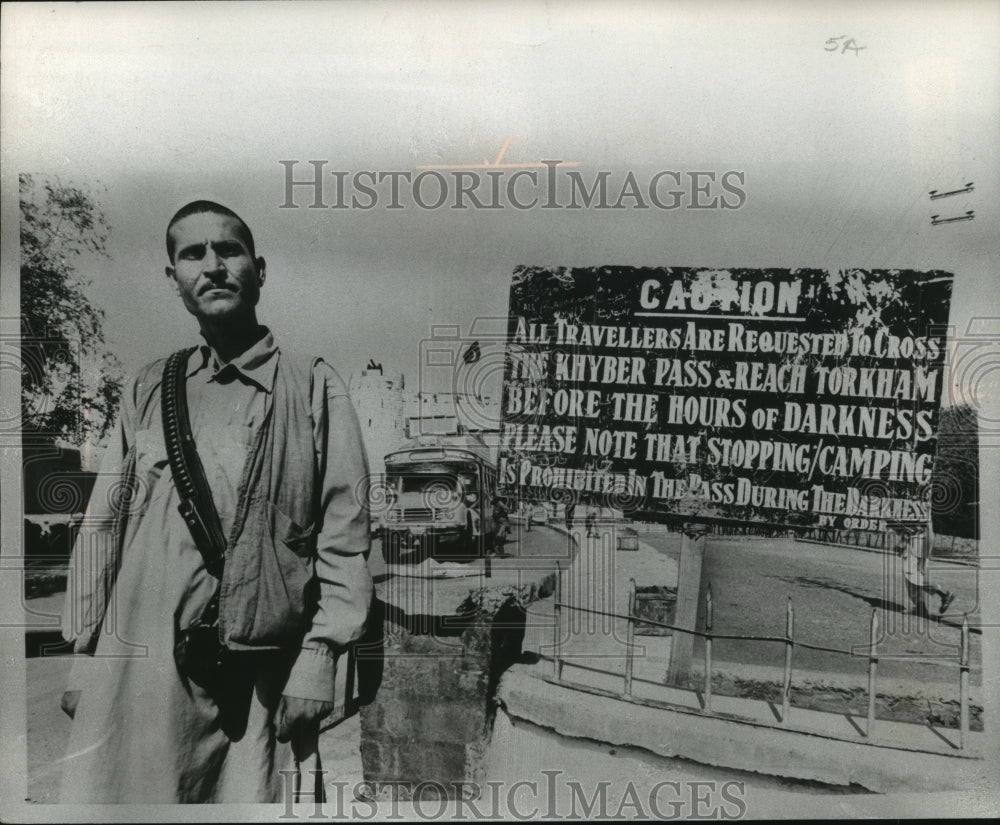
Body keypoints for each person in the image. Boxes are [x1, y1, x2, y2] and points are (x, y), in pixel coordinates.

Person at [58, 201, 373, 803]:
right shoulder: (148, 386)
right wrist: (84, 656)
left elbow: (344, 532)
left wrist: (320, 658)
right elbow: (105, 526)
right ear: (173, 277)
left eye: (228, 250)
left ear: (258, 268)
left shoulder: (311, 384)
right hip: (140, 664)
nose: (213, 266)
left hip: (261, 671)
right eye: (192, 254)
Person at [898, 521, 954, 618]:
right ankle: (921, 609)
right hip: (909, 559)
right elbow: (899, 549)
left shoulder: (923, 535)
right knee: (913, 587)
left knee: (917, 582)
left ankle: (944, 595)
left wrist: (922, 562)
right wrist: (904, 540)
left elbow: (926, 546)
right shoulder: (912, 533)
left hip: (915, 561)